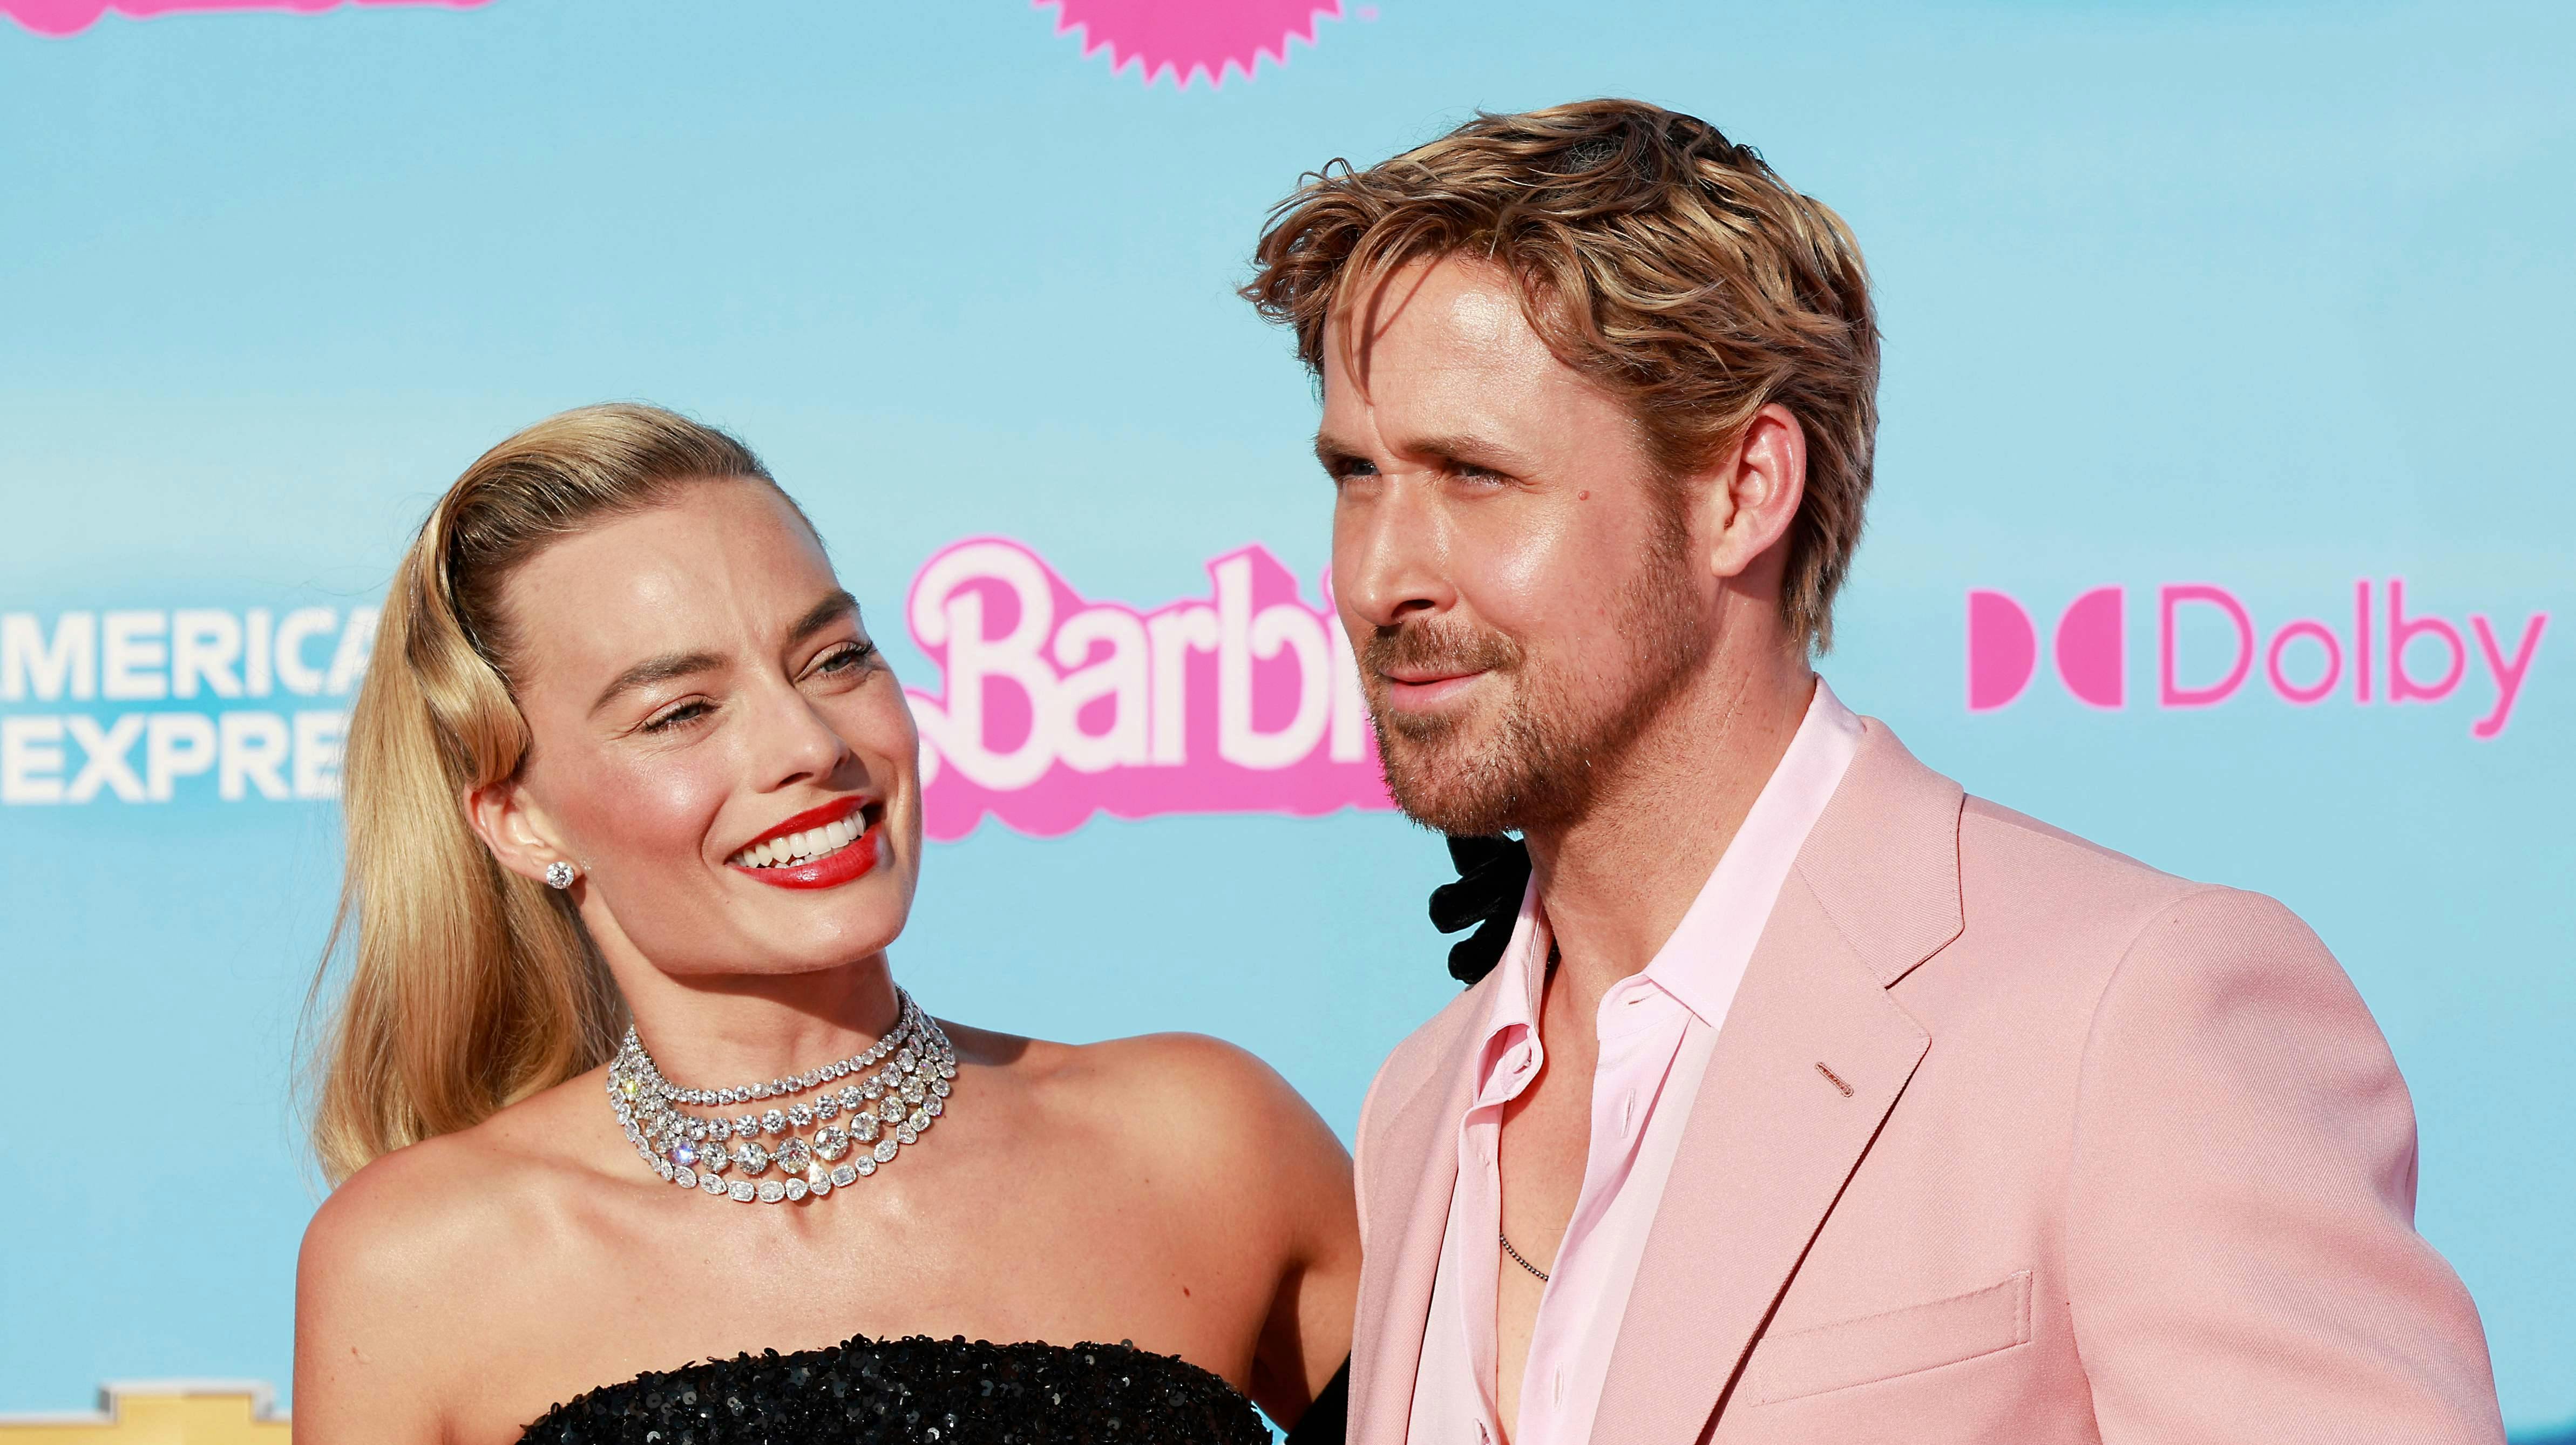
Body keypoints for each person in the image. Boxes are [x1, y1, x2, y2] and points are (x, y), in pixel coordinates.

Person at [1240, 99, 2508, 1444]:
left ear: (1741, 489)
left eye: (1476, 476)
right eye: (1356, 477)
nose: (1380, 574)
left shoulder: (2129, 1015)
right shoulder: (1420, 1100)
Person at [292, 404, 1359, 1444]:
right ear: (520, 819)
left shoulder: (1205, 1145)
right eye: (683, 712)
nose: (807, 742)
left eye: (834, 658)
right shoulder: (417, 1269)